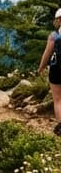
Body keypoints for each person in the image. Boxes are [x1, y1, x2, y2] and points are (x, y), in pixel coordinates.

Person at [37, 8, 61, 136]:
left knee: (58, 99)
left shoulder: (54, 35)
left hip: (56, 69)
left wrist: (40, 68)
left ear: (58, 20)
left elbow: (47, 53)